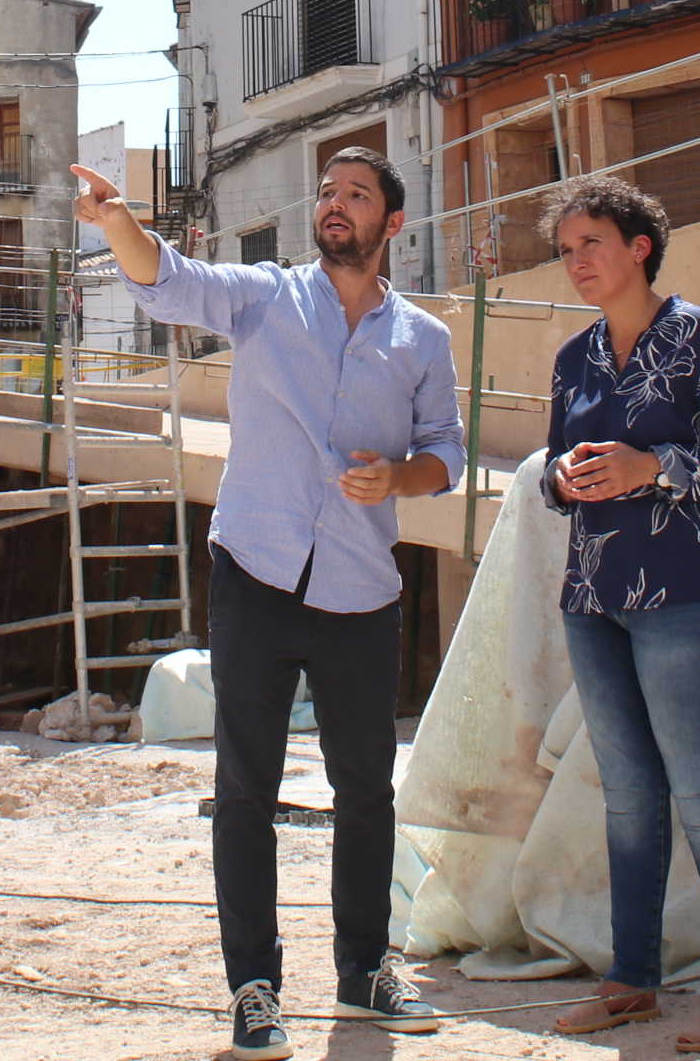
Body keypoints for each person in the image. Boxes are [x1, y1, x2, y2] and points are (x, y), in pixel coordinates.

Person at [76, 147, 464, 1061]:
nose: (335, 205)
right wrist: (117, 221)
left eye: (357, 195)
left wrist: (399, 474)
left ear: (391, 225)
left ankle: (365, 972)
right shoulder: (264, 296)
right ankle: (254, 989)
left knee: (366, 792)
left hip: (361, 591)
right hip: (255, 573)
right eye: (328, 192)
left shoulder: (424, 340)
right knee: (244, 791)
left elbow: (446, 448)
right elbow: (168, 282)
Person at [534, 177, 700, 1055]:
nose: (576, 262)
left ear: (640, 245)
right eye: (565, 251)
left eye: (590, 242)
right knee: (630, 800)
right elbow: (552, 470)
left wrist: (658, 467)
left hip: (695, 595)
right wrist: (561, 480)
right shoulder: (574, 360)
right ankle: (632, 980)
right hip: (595, 597)